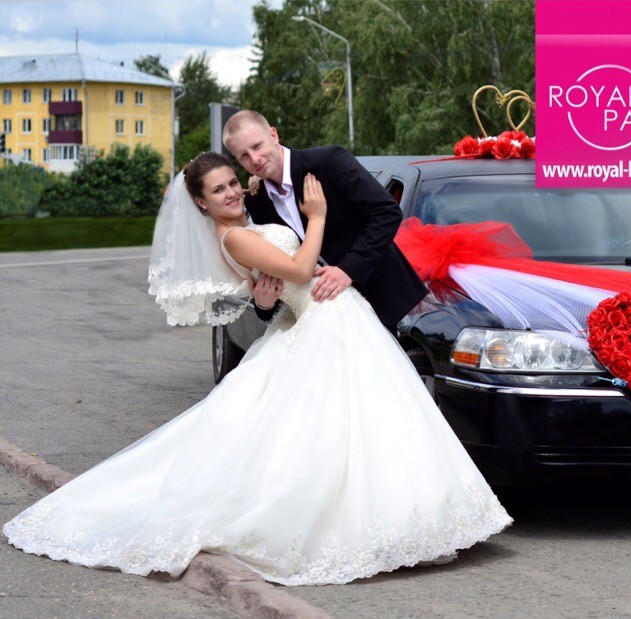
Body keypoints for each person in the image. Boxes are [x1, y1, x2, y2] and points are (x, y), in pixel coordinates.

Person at [2, 152, 512, 586]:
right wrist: (317, 217)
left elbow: (274, 279)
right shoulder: (233, 238)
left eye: (232, 183)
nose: (231, 193)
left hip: (329, 318)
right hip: (322, 319)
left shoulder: (246, 220)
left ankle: (406, 517)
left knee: (362, 424)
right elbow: (299, 269)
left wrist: (265, 262)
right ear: (200, 203)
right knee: (339, 429)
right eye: (217, 190)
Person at [222, 109, 427, 331]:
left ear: (273, 135)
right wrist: (264, 306)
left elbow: (386, 212)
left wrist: (348, 269)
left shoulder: (328, 161)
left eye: (257, 146)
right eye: (243, 156)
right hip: (318, 323)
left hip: (382, 304)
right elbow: (276, 273)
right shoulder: (257, 201)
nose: (254, 159)